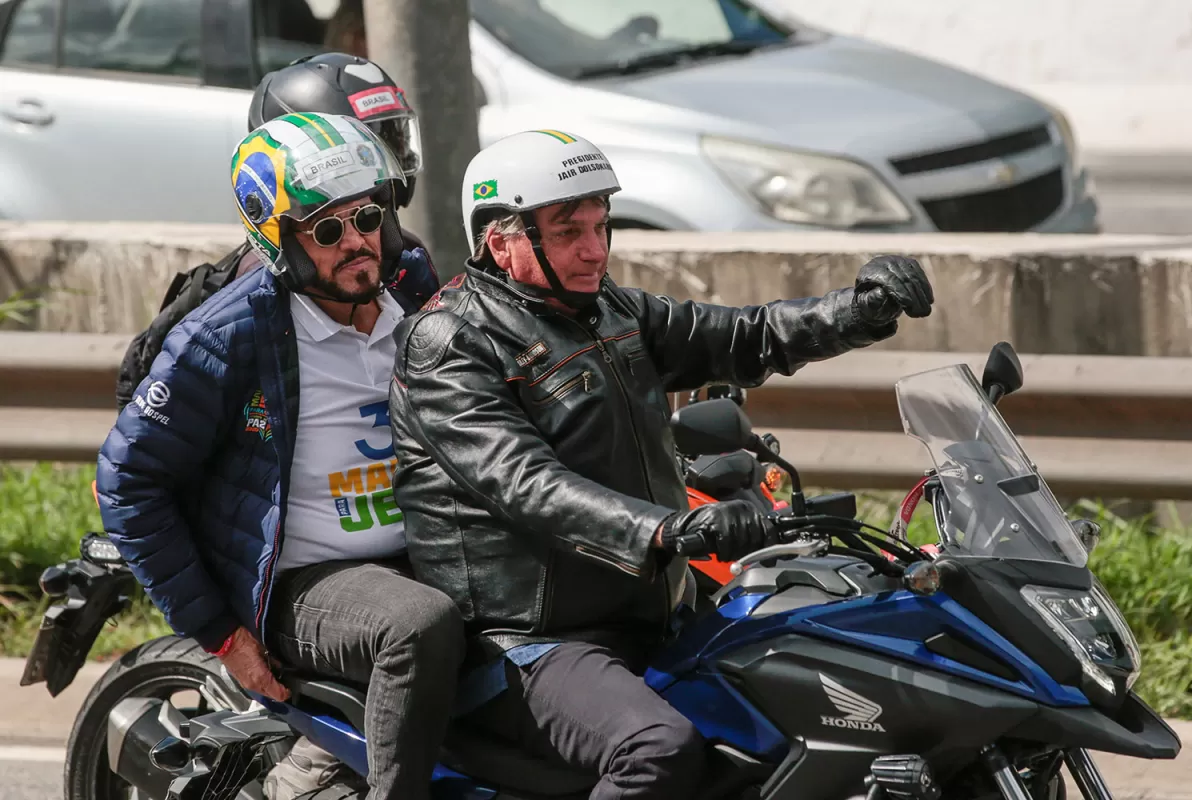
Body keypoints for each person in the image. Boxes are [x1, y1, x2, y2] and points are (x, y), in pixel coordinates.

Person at [387, 129, 934, 798]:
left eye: (600, 225)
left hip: (649, 611)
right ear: (501, 243)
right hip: (528, 641)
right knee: (657, 751)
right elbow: (527, 484)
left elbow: (744, 335)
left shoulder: (610, 309)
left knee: (809, 687)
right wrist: (667, 531)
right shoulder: (449, 341)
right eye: (569, 232)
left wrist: (859, 310)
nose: (595, 248)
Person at [96, 113, 464, 800]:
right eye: (328, 229)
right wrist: (222, 635)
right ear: (278, 239)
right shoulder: (225, 335)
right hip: (302, 582)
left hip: (420, 548)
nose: (358, 241)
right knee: (419, 626)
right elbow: (127, 480)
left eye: (369, 216)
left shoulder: (412, 289)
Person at [115, 51, 437, 411]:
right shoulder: (255, 289)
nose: (378, 156)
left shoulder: (403, 255)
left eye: (391, 137)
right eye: (327, 231)